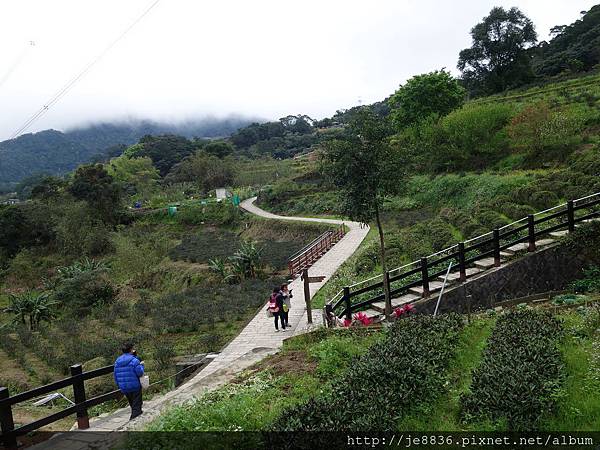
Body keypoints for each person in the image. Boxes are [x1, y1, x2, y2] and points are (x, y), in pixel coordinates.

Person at [114, 342, 145, 420]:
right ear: (131, 350)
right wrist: (141, 365)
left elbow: (115, 375)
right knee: (136, 405)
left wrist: (119, 385)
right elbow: (140, 373)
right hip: (135, 386)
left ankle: (137, 414)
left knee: (133, 403)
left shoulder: (117, 361)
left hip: (123, 387)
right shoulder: (135, 360)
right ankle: (133, 421)